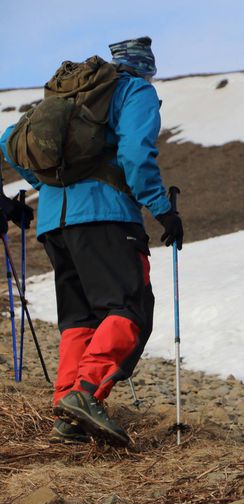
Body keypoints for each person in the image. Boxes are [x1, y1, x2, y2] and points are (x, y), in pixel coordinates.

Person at [0, 36, 183, 447]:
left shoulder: (69, 97)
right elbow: (136, 153)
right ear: (146, 67)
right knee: (129, 307)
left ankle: (66, 411)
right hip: (106, 216)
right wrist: (161, 208)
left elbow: (9, 142)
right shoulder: (135, 90)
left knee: (80, 317)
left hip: (54, 223)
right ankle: (86, 393)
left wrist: (48, 184)